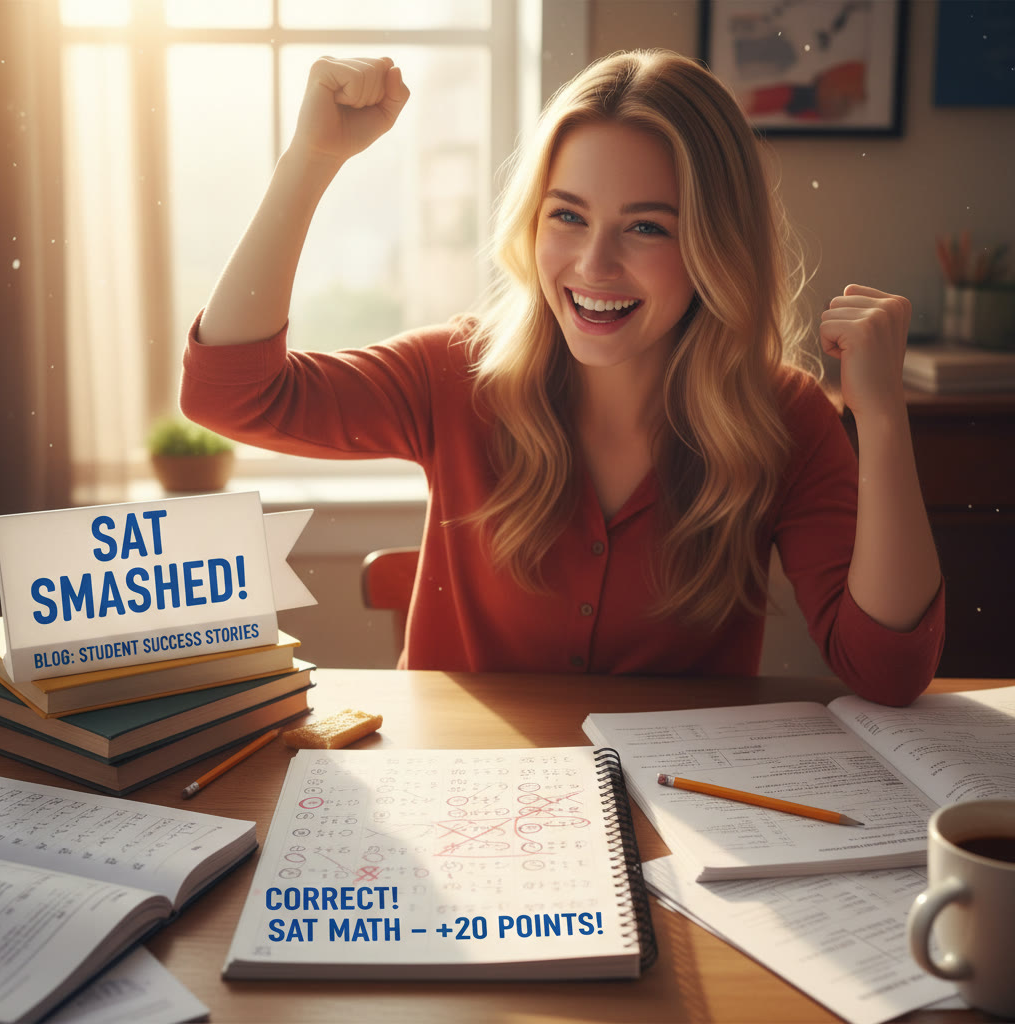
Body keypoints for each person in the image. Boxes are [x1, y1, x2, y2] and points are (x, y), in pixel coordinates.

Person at [181, 50, 944, 705]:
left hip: (672, 828)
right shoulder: (454, 374)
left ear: (717, 247)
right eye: (567, 216)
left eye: (647, 227)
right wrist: (311, 160)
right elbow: (227, 392)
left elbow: (887, 671)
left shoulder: (784, 417)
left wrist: (880, 417)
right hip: (457, 799)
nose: (593, 266)